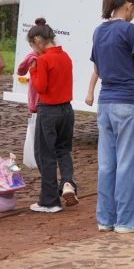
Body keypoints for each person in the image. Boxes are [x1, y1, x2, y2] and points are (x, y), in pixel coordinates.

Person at [85, 0, 134, 233]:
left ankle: (106, 218)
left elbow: (98, 68)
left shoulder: (99, 30)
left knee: (107, 164)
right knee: (130, 163)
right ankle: (128, 220)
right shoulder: (130, 29)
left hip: (106, 102)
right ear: (128, 6)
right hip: (128, 102)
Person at [27, 18, 78, 213]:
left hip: (49, 110)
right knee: (63, 150)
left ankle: (49, 201)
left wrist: (33, 69)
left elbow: (41, 87)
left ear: (38, 40)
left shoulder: (42, 60)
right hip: (67, 109)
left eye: (32, 44)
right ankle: (67, 183)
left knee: (45, 153)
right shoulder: (65, 56)